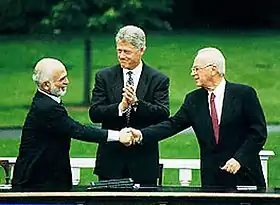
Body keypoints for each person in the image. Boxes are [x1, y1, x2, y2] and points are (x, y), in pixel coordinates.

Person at [130, 47, 267, 188]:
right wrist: (141, 134)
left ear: (213, 69)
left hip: (245, 176)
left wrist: (239, 159)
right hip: (213, 181)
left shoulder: (244, 95)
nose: (192, 74)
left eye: (196, 69)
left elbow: (258, 133)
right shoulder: (194, 99)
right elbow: (172, 125)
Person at [12, 58, 132, 192]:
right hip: (37, 183)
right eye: (62, 79)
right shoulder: (47, 108)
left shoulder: (46, 101)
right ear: (46, 85)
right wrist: (118, 136)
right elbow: (78, 130)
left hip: (42, 180)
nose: (67, 82)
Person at [89, 25, 170, 186]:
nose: (121, 56)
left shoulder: (158, 79)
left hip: (143, 162)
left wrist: (136, 104)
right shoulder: (104, 77)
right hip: (110, 160)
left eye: (127, 51)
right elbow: (95, 113)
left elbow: (163, 113)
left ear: (141, 50)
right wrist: (120, 107)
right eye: (119, 50)